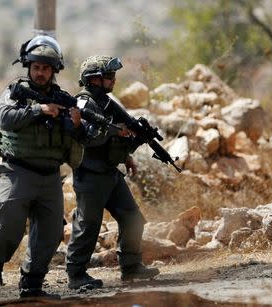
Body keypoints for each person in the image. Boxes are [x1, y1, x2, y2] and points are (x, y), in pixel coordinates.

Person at [0, 35, 83, 304]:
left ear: (53, 70)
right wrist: (39, 110)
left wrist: (77, 123)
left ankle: (32, 286)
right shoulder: (15, 92)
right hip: (17, 172)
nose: (40, 72)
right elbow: (6, 118)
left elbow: (82, 142)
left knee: (48, 234)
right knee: (6, 228)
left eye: (46, 68)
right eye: (36, 67)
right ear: (28, 67)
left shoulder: (65, 100)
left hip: (50, 177)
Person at [66, 55, 160, 290]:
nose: (114, 79)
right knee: (88, 225)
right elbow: (87, 138)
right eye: (109, 76)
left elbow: (113, 139)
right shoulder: (85, 104)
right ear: (94, 80)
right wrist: (114, 132)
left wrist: (128, 152)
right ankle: (76, 274)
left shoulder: (106, 102)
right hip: (90, 175)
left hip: (109, 172)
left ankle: (131, 267)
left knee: (133, 218)